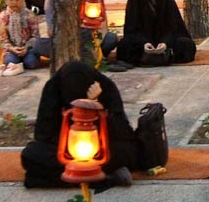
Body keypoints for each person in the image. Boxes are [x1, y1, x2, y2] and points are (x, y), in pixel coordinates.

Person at [21, 61, 140, 190]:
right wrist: (69, 143)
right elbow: (43, 134)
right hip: (66, 149)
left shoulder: (105, 87)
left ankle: (56, 179)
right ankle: (104, 178)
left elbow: (122, 132)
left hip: (100, 148)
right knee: (31, 154)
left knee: (129, 152)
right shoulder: (53, 89)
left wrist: (94, 105)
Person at [116, 0, 196, 67]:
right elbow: (131, 29)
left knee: (186, 45)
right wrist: (144, 43)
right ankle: (154, 57)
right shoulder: (135, 0)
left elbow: (174, 27)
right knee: (124, 46)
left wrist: (165, 43)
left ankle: (160, 56)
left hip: (165, 42)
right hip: (142, 43)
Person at [0, 0, 42, 75]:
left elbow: (36, 36)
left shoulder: (29, 15)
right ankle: (16, 63)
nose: (14, 2)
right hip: (11, 50)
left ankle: (23, 61)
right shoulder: (3, 17)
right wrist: (12, 48)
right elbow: (2, 40)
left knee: (31, 62)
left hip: (28, 48)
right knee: (11, 61)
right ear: (6, 0)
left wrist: (26, 48)